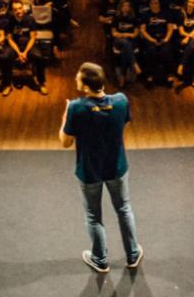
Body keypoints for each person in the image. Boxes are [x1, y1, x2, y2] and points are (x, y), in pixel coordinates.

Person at [58, 62, 141, 272]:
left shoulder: (76, 107)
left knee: (94, 216)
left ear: (85, 86)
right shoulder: (121, 100)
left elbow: (65, 142)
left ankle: (100, 260)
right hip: (117, 167)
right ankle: (132, 255)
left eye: (78, 78)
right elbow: (124, 125)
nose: (75, 80)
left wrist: (65, 118)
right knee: (123, 209)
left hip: (89, 171)